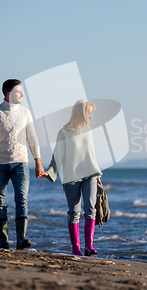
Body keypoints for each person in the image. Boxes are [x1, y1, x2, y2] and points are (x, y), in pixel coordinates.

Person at [0, 79, 44, 250]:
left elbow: (33, 138)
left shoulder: (25, 113)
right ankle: (3, 240)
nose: (22, 94)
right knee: (1, 201)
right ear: (9, 94)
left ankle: (21, 239)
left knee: (22, 200)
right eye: (18, 91)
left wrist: (38, 162)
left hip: (21, 163)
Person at [42, 99, 102, 256]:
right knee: (74, 212)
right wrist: (50, 172)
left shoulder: (88, 131)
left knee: (90, 209)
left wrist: (97, 173)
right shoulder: (64, 133)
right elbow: (58, 156)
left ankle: (89, 247)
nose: (90, 116)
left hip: (90, 175)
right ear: (81, 113)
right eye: (89, 113)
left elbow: (91, 154)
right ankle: (76, 249)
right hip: (72, 177)